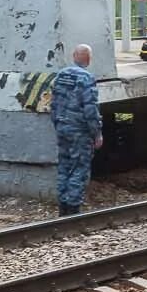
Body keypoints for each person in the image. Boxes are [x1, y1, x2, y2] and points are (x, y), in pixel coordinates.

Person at [50, 44, 103, 217]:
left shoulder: (60, 75)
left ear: (74, 56)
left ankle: (62, 207)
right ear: (89, 59)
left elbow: (53, 104)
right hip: (79, 131)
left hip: (62, 128)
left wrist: (58, 125)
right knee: (79, 168)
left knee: (64, 166)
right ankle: (72, 212)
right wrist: (97, 133)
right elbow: (90, 110)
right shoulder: (87, 78)